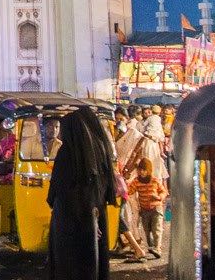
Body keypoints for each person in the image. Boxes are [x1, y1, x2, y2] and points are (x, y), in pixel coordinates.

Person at [47, 106, 118, 280]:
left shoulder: (67, 154)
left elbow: (56, 190)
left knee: (70, 267)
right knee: (92, 264)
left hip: (68, 224)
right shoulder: (100, 151)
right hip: (94, 219)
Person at [127, 158, 167, 259]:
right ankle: (151, 246)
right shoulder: (136, 181)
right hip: (144, 210)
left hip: (156, 208)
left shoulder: (154, 180)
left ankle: (157, 248)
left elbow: (163, 192)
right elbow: (130, 190)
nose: (142, 172)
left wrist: (159, 197)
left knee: (156, 228)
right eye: (140, 170)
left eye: (144, 170)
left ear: (148, 170)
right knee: (147, 229)